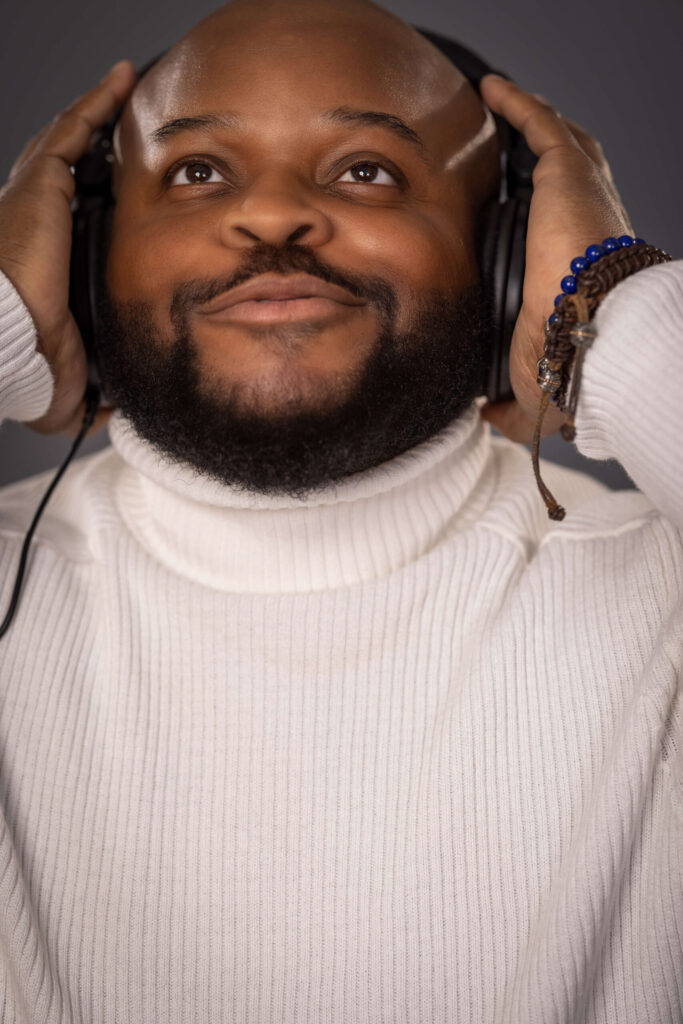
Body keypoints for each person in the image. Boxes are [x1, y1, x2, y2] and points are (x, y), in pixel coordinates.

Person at [0, 0, 681, 1020]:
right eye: (196, 171)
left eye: (365, 168)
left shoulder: (657, 594)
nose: (272, 215)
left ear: (501, 259)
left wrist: (608, 314)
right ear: (89, 262)